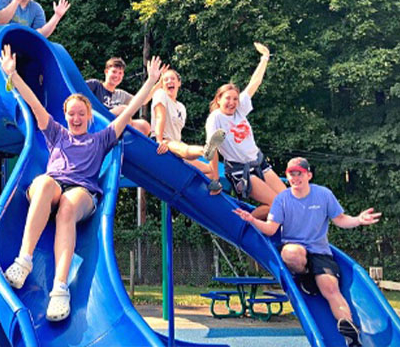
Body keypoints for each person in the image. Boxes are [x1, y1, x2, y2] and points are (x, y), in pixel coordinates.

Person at [0, 44, 162, 322]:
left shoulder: (101, 139)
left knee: (67, 207)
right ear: (65, 116)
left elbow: (130, 110)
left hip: (81, 192)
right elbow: (35, 104)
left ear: (89, 117)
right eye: (71, 114)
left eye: (81, 114)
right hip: (52, 185)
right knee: (44, 184)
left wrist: (150, 82)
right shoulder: (56, 134)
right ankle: (23, 261)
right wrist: (12, 75)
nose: (75, 118)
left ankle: (60, 289)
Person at [233, 157, 381, 347]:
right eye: (291, 174)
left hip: (320, 252)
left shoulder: (323, 195)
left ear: (308, 175)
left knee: (330, 288)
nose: (295, 177)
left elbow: (341, 219)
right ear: (287, 177)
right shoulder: (282, 200)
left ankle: (349, 330)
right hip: (296, 250)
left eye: (299, 173)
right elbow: (271, 229)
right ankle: (305, 277)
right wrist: (252, 220)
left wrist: (358, 220)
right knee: (290, 254)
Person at [205, 42, 286, 218]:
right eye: (227, 98)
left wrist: (265, 57)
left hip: (258, 162)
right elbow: (212, 149)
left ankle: (275, 230)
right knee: (274, 203)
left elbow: (255, 82)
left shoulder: (239, 110)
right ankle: (245, 225)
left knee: (287, 201)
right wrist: (215, 179)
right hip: (240, 169)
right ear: (218, 99)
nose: (232, 102)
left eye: (235, 98)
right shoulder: (216, 118)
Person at [152, 69, 225, 181]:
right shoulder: (160, 94)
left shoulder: (181, 107)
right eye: (165, 79)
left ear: (178, 83)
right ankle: (204, 150)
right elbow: (159, 116)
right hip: (164, 141)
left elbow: (177, 132)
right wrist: (159, 140)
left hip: (176, 146)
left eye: (172, 79)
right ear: (162, 84)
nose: (169, 81)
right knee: (184, 149)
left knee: (209, 170)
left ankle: (213, 182)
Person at [86, 57, 160, 136]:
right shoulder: (95, 85)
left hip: (115, 126)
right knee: (123, 110)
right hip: (98, 120)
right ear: (106, 72)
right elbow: (75, 91)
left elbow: (143, 100)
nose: (117, 75)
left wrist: (159, 83)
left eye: (120, 73)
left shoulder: (120, 94)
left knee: (144, 125)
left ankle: (124, 141)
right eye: (114, 72)